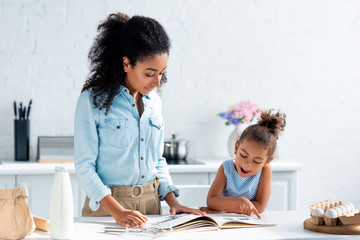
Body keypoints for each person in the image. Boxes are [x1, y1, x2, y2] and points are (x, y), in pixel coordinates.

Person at [74, 12, 204, 228]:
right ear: (126, 63)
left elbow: (157, 161)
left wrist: (173, 201)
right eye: (150, 73)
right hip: (108, 209)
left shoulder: (154, 102)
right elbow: (85, 167)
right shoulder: (92, 101)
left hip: (151, 206)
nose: (157, 82)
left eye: (161, 73)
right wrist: (118, 212)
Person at [200, 109, 286, 218]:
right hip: (226, 221)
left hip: (254, 220)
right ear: (236, 148)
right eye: (243, 155)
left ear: (267, 161)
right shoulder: (226, 167)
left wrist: (226, 210)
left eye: (256, 161)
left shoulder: (265, 170)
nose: (247, 164)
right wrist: (240, 201)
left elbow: (259, 206)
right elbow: (212, 200)